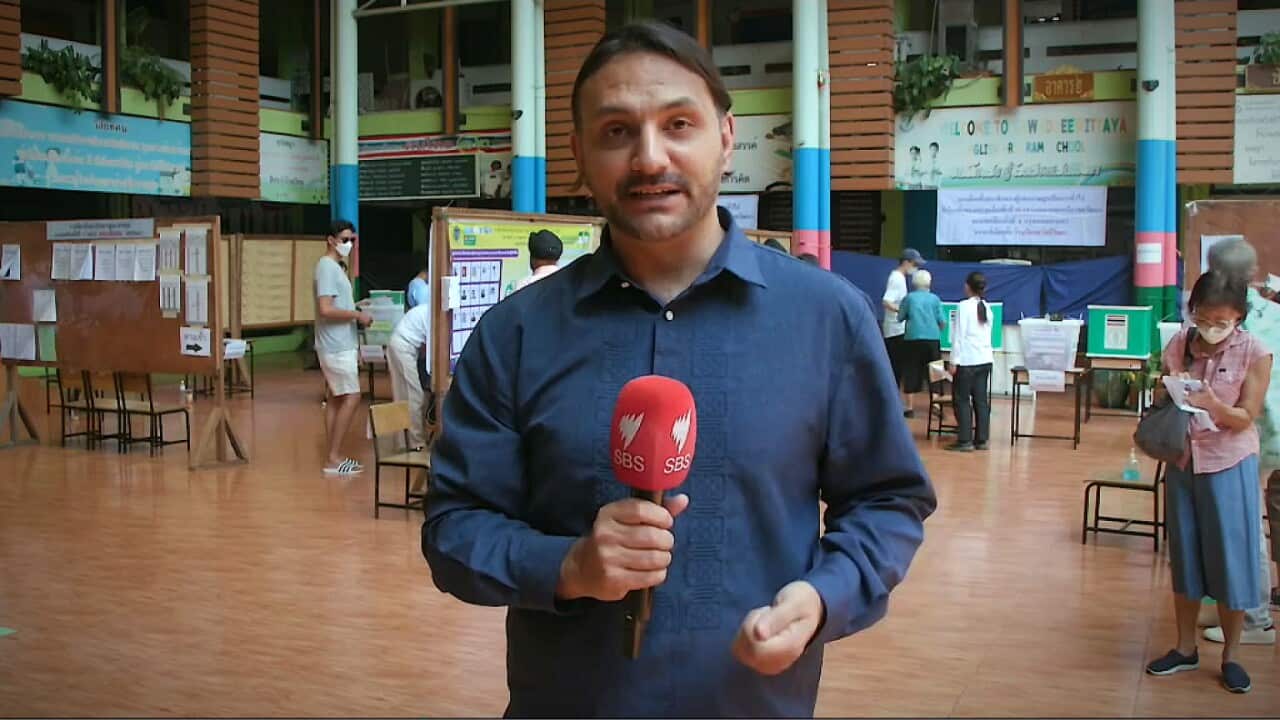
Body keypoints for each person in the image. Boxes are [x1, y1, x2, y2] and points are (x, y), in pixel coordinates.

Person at [422, 21, 936, 718]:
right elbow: (455, 528)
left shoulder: (827, 319)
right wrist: (568, 566)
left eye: (679, 124)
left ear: (726, 138)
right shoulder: (516, 334)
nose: (648, 158)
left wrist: (825, 596)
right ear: (577, 154)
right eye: (615, 132)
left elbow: (887, 499)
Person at [1144, 271, 1272, 695]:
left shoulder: (1254, 351)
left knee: (1231, 560)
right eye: (1204, 317)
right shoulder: (1181, 341)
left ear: (1239, 317)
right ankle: (1184, 647)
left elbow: (1246, 416)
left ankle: (1232, 654)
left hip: (1228, 463)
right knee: (1185, 556)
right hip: (1184, 459)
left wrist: (1214, 404)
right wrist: (1168, 386)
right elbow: (1162, 390)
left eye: (1222, 320)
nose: (1211, 326)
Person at [1197, 239, 1278, 646]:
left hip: (1253, 432)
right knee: (1255, 521)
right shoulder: (1271, 309)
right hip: (1262, 429)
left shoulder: (1245, 325)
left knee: (1247, 526)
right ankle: (1242, 607)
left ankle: (1256, 617)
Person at [314, 219, 373, 475]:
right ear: (331, 239)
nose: (349, 244)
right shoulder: (326, 267)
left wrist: (355, 309)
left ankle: (333, 456)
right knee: (352, 396)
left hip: (340, 342)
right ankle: (333, 457)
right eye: (345, 239)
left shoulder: (336, 267)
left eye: (352, 240)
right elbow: (326, 309)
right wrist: (357, 316)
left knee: (337, 398)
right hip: (335, 345)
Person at [947, 272, 994, 452]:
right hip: (985, 359)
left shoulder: (963, 306)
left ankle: (965, 440)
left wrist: (953, 360)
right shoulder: (987, 308)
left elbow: (959, 335)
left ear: (968, 286)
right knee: (981, 400)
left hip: (967, 360)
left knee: (962, 399)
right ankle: (982, 439)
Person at [896, 269, 945, 419]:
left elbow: (900, 317)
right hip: (932, 338)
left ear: (914, 283)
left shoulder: (909, 298)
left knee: (910, 369)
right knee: (935, 371)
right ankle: (936, 403)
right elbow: (942, 322)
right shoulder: (935, 299)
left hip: (912, 338)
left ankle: (909, 407)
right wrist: (936, 331)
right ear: (929, 283)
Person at [883, 248, 925, 417]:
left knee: (898, 368)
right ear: (906, 262)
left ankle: (896, 405)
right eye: (914, 264)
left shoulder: (899, 278)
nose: (915, 268)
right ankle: (894, 406)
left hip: (898, 329)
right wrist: (904, 311)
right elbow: (886, 301)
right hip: (895, 330)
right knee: (896, 369)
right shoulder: (897, 279)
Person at [387, 303, 433, 451]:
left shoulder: (429, 310)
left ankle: (404, 442)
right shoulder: (433, 314)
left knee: (405, 397)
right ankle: (416, 443)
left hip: (407, 347)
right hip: (403, 346)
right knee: (414, 397)